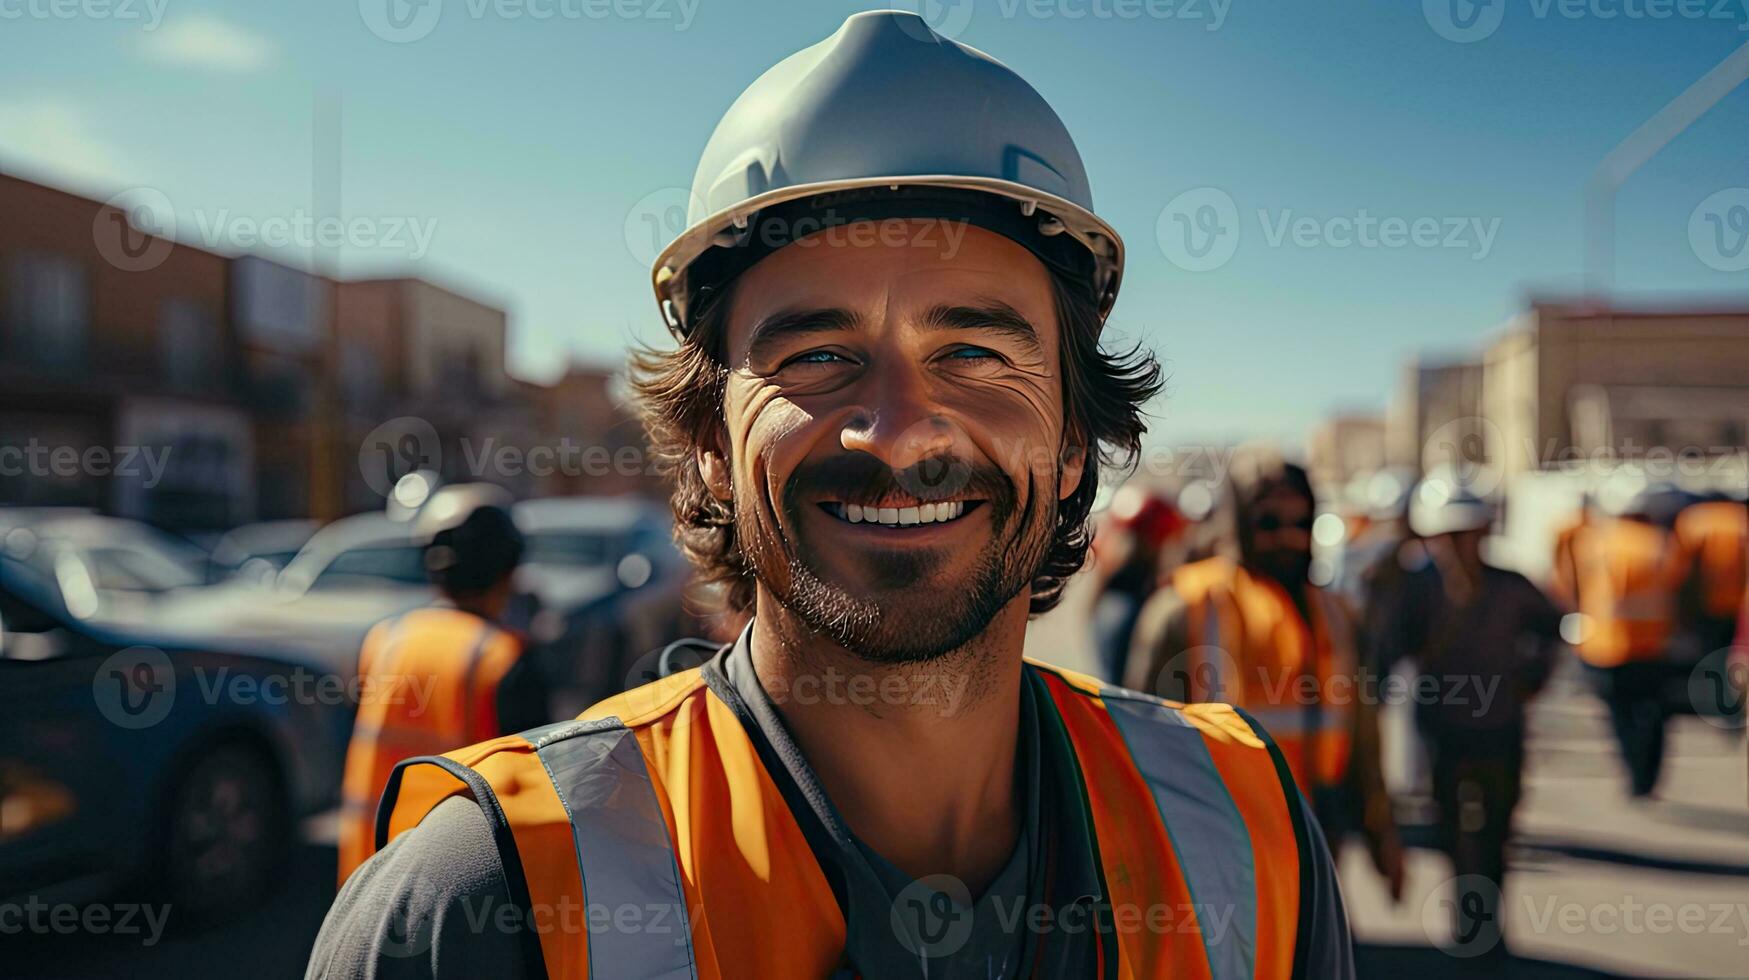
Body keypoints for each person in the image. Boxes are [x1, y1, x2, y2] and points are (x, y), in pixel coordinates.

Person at [307, 12, 1353, 978]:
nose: (897, 428)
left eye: (976, 352)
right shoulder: (482, 900)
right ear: (713, 442)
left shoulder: (1247, 836)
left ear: (1073, 437)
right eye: (815, 355)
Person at [1125, 447, 1402, 899]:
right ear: (1239, 523)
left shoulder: (1336, 615)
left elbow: (1363, 735)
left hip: (1316, 831)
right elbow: (1139, 744)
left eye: (1300, 523)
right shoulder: (1183, 608)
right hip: (1216, 840)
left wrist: (1380, 831)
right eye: (1269, 523)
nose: (1288, 539)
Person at [1376, 478, 1561, 959]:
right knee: (1454, 830)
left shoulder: (1510, 586)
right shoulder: (1415, 590)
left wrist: (1533, 677)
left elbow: (1552, 627)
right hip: (1442, 733)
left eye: (1466, 533)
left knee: (1496, 829)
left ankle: (1488, 925)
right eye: (1446, 535)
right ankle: (1468, 923)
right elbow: (1385, 651)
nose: (1457, 545)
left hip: (1500, 729)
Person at [333, 484, 547, 886]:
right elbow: (535, 800)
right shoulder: (505, 658)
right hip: (455, 894)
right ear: (510, 567)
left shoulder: (384, 639)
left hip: (364, 879)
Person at [1559, 489, 1677, 797]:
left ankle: (1633, 773)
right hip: (1653, 646)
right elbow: (1679, 587)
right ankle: (1647, 775)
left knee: (1620, 714)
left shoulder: (1595, 540)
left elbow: (1568, 573)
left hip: (1605, 647)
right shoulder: (1660, 542)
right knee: (1652, 714)